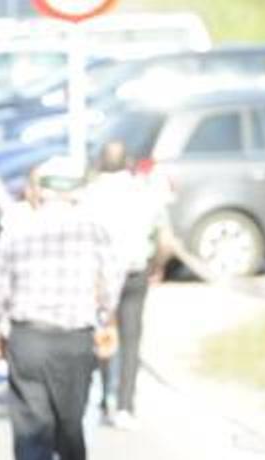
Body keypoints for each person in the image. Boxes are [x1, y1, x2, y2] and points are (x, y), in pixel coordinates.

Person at [0, 158, 124, 460]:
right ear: (75, 192)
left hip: (29, 339)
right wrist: (101, 313)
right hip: (76, 340)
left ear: (39, 190)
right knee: (70, 427)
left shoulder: (18, 230)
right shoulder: (93, 231)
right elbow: (111, 284)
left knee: (31, 431)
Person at [83, 141, 169, 429]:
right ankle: (125, 405)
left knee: (104, 334)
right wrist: (157, 264)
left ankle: (105, 398)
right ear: (127, 162)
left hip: (99, 275)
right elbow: (165, 238)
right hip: (135, 270)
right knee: (131, 339)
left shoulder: (89, 195)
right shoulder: (143, 191)